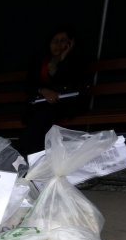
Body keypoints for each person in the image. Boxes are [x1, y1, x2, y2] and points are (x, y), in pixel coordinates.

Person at [16, 26, 89, 157]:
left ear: (70, 43)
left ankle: (26, 157)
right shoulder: (40, 61)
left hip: (65, 104)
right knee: (37, 117)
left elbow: (72, 84)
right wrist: (43, 90)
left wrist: (63, 61)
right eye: (55, 41)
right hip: (41, 104)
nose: (59, 45)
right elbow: (29, 85)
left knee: (41, 118)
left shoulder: (75, 61)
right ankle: (29, 158)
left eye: (63, 41)